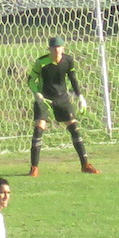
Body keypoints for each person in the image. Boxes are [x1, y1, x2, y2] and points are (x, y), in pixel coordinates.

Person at [27, 37, 98, 176]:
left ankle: (85, 165)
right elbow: (31, 80)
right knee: (39, 128)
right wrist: (37, 94)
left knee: (74, 128)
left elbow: (73, 78)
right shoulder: (41, 62)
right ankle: (34, 168)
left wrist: (80, 97)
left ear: (63, 48)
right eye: (53, 47)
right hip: (44, 98)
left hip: (62, 98)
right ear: (49, 49)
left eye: (59, 47)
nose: (56, 50)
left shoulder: (68, 60)